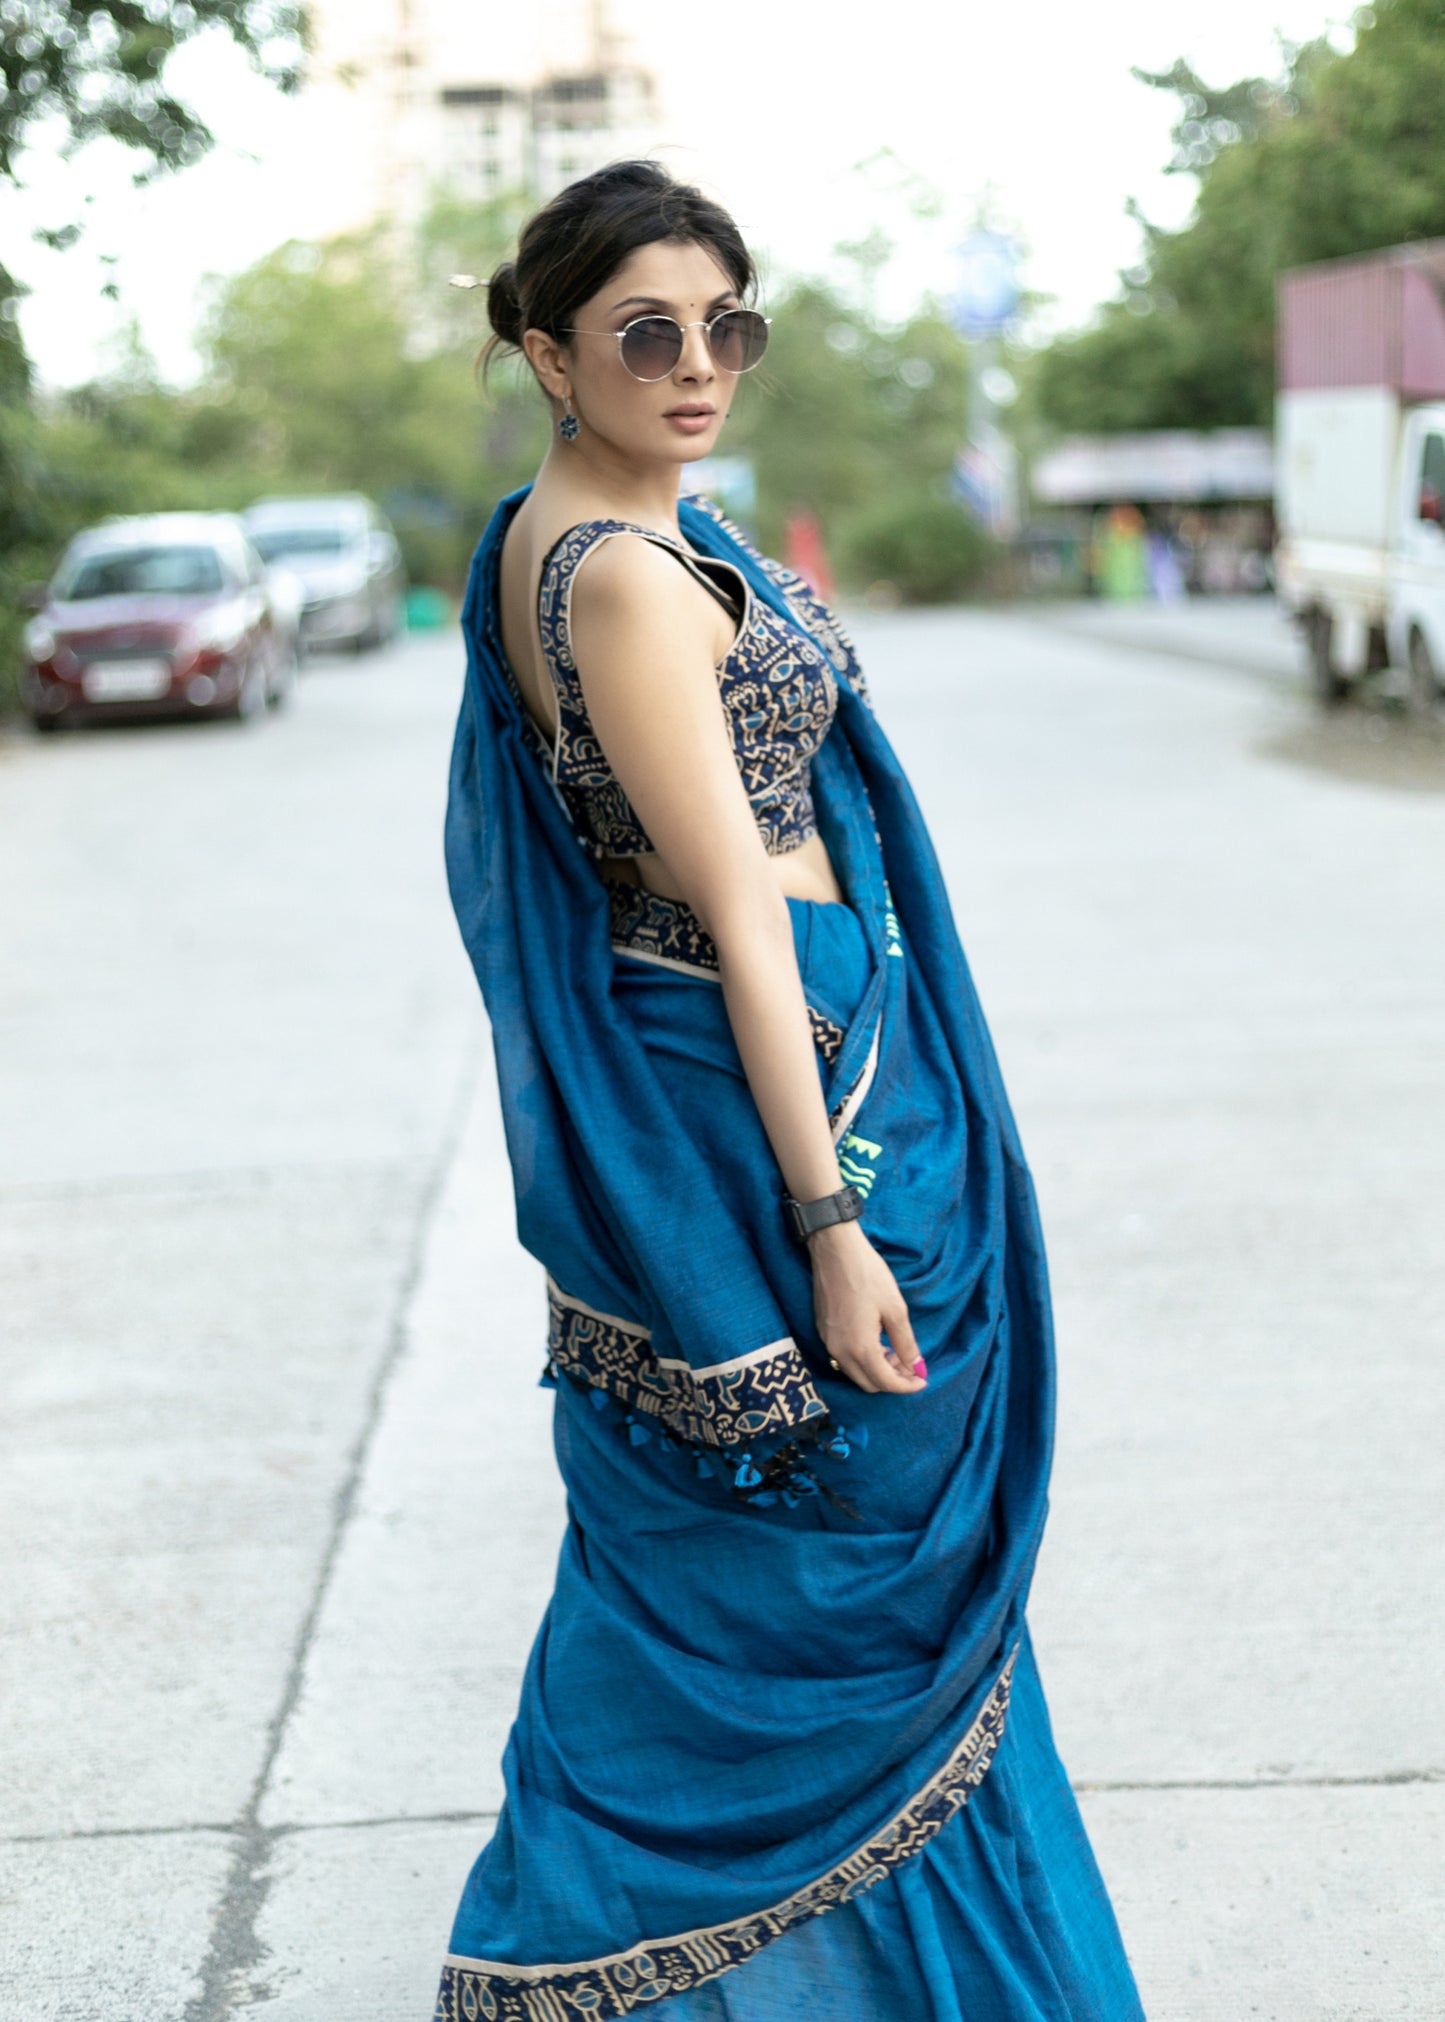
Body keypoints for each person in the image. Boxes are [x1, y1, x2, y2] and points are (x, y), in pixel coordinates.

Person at [438, 160, 1146, 2022]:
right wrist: (828, 1225)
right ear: (545, 350)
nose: (696, 367)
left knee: (758, 1598)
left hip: (782, 1081)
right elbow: (744, 918)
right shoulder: (615, 585)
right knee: (835, 1589)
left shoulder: (605, 526)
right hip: (781, 1115)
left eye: (724, 328)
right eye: (643, 333)